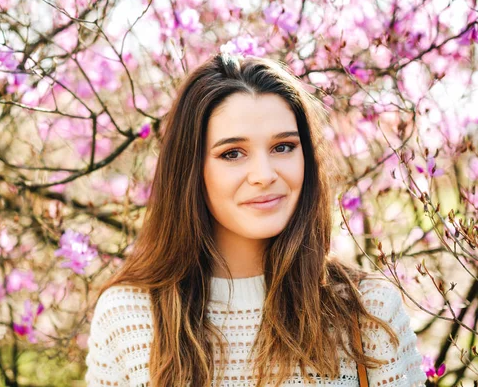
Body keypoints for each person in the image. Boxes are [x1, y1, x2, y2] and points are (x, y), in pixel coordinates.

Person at [84, 53, 427, 386]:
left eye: (283, 147)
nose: (264, 175)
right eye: (232, 153)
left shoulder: (369, 311)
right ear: (191, 170)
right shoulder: (128, 318)